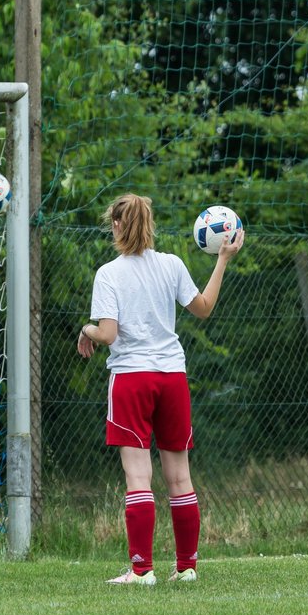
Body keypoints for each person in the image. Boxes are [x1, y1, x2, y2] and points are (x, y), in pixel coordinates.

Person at [77, 194, 244, 585]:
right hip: (172, 377)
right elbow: (203, 308)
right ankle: (186, 568)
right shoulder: (171, 264)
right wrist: (222, 260)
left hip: (133, 379)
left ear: (116, 226)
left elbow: (108, 334)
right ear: (149, 224)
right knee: (179, 477)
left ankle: (142, 570)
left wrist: (86, 330)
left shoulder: (109, 273)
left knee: (138, 476)